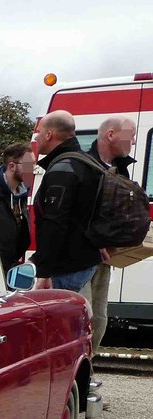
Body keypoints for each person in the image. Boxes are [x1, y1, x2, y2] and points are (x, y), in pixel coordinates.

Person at [30, 110, 105, 296]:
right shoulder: (88, 163)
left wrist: (44, 271)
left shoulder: (63, 169)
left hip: (66, 267)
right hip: (86, 261)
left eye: (39, 132)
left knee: (57, 322)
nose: (37, 138)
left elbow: (55, 221)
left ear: (49, 135)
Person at [81, 116, 137, 355]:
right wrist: (97, 240)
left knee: (100, 318)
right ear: (111, 135)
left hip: (105, 257)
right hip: (82, 256)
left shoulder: (120, 169)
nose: (133, 142)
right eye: (130, 136)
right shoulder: (84, 166)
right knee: (84, 315)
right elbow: (77, 213)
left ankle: (88, 368)